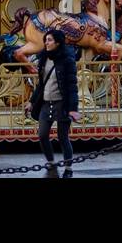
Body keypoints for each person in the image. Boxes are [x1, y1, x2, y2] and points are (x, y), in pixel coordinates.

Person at [29, 28, 79, 177]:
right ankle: (51, 163)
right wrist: (32, 101)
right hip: (46, 102)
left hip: (61, 103)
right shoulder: (44, 58)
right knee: (42, 135)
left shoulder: (67, 60)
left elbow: (72, 86)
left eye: (49, 40)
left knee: (63, 137)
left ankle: (68, 168)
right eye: (46, 40)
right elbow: (41, 84)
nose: (46, 43)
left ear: (58, 43)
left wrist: (72, 108)